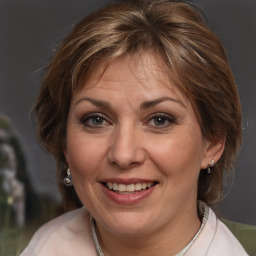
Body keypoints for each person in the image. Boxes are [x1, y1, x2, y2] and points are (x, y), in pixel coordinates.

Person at [20, 0, 248, 255]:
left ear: (213, 142)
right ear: (64, 142)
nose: (123, 154)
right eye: (96, 119)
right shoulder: (43, 244)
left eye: (160, 120)